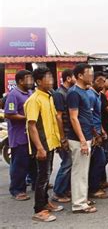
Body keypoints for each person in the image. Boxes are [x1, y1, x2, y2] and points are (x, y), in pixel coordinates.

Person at [25, 67, 63, 222]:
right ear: (39, 81)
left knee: (47, 175)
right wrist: (40, 148)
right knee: (42, 178)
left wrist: (59, 140)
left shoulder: (49, 97)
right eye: (48, 78)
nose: (51, 81)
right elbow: (31, 126)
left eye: (51, 78)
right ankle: (39, 209)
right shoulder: (34, 100)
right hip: (41, 145)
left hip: (51, 142)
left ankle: (45, 203)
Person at [67, 63, 97, 214]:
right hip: (79, 139)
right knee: (79, 172)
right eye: (89, 73)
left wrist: (92, 134)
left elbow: (87, 114)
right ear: (79, 75)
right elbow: (74, 118)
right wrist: (83, 140)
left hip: (86, 136)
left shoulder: (85, 91)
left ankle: (82, 199)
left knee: (84, 171)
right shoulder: (74, 93)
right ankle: (78, 204)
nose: (92, 76)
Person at [4, 70, 35, 201]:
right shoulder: (13, 95)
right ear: (20, 81)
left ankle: (35, 182)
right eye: (28, 78)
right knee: (19, 164)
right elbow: (9, 114)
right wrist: (27, 117)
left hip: (31, 135)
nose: (31, 81)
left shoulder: (30, 93)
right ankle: (17, 190)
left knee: (33, 162)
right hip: (19, 135)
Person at [52, 69, 76, 203]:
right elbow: (59, 117)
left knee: (69, 163)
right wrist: (62, 137)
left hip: (69, 132)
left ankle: (65, 189)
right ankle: (58, 192)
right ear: (68, 79)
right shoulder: (60, 94)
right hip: (65, 133)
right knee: (67, 163)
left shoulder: (69, 92)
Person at [87, 71, 108, 199]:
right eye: (99, 80)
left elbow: (97, 115)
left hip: (98, 130)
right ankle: (93, 188)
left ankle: (96, 184)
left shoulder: (98, 95)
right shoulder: (90, 95)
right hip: (92, 133)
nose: (102, 83)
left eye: (104, 80)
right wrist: (96, 134)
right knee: (98, 160)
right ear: (93, 81)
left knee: (100, 159)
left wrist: (102, 130)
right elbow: (88, 116)